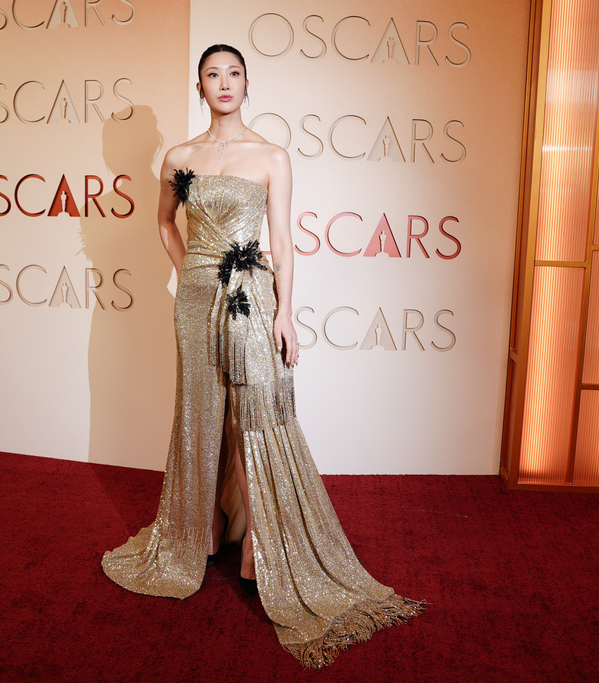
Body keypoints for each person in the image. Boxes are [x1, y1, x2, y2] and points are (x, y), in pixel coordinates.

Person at [101, 43, 424, 669]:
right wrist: (188, 270)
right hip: (195, 301)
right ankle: (203, 533)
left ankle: (258, 543)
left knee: (255, 412)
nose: (224, 83)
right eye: (212, 75)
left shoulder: (271, 155)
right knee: (202, 413)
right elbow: (165, 223)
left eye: (234, 73)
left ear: (248, 83)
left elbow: (281, 240)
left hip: (253, 296)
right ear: (199, 87)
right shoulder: (179, 158)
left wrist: (284, 311)